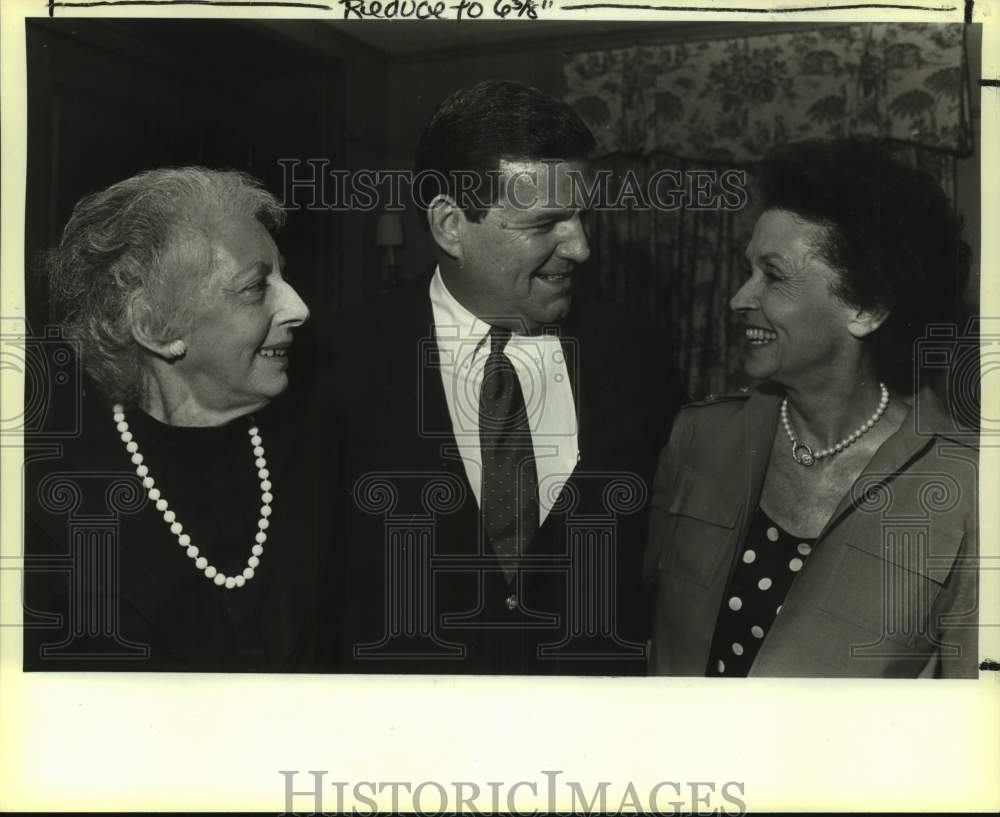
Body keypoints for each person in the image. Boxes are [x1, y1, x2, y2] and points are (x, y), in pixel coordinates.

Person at [327, 80, 687, 674]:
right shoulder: (337, 362)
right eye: (546, 222)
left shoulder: (635, 351)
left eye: (580, 217)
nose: (581, 247)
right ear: (450, 225)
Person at [645, 138, 978, 678]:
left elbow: (971, 712)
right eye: (747, 270)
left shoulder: (965, 482)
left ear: (866, 307)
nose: (738, 298)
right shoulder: (698, 437)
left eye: (773, 276)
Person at [23, 167, 332, 672]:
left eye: (284, 277)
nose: (298, 307)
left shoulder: (323, 453)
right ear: (154, 327)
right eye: (257, 287)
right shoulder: (52, 506)